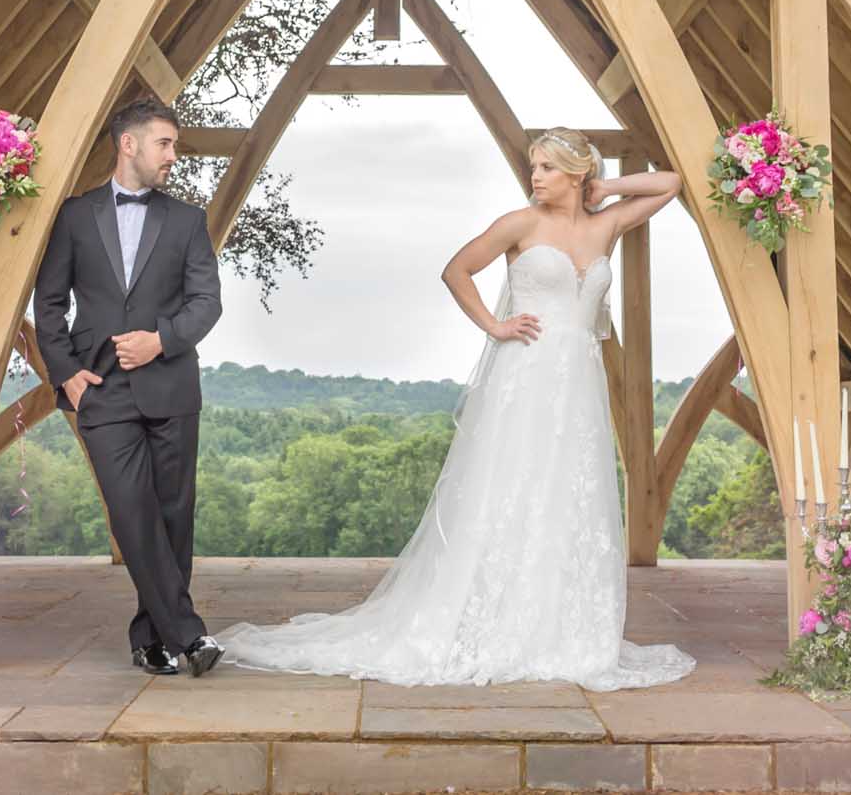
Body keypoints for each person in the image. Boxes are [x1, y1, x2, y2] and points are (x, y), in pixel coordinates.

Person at [213, 128, 696, 690]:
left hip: (579, 387)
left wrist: (605, 184)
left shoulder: (606, 223)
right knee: (509, 489)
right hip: (526, 375)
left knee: (568, 493)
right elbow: (457, 270)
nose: (534, 176)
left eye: (545, 167)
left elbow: (671, 183)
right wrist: (495, 325)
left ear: (574, 172)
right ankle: (487, 619)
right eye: (533, 166)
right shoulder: (520, 224)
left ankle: (555, 627)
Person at [31, 97, 225, 677]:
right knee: (131, 512)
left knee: (171, 519)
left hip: (172, 388)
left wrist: (160, 341)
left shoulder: (188, 221)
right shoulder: (74, 216)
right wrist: (66, 375)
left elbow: (206, 303)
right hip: (102, 392)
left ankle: (151, 639)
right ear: (129, 144)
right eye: (164, 143)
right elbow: (49, 304)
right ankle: (189, 636)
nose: (173, 155)